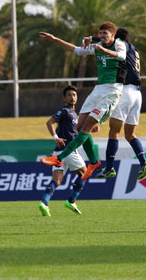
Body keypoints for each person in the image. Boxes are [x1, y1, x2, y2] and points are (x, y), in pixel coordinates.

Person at [39, 22, 126, 180]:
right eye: (100, 34)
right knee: (78, 127)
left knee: (87, 126)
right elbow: (76, 50)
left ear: (113, 35)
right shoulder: (98, 46)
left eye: (105, 34)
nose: (102, 36)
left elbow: (122, 56)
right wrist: (55, 39)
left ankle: (59, 158)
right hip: (98, 90)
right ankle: (94, 162)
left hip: (112, 91)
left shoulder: (119, 43)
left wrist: (103, 50)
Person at [94, 28, 146, 180]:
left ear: (116, 39)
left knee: (114, 132)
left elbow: (108, 43)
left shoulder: (120, 45)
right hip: (137, 94)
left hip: (125, 92)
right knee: (130, 134)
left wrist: (93, 40)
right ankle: (144, 163)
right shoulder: (134, 49)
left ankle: (109, 168)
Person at [39, 85, 88, 216]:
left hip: (58, 153)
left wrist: (90, 129)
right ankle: (71, 200)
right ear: (64, 98)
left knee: (57, 181)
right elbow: (49, 122)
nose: (72, 97)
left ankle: (44, 202)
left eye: (74, 95)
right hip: (68, 150)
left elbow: (73, 132)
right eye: (69, 95)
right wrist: (56, 138)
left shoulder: (74, 114)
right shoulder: (65, 111)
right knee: (85, 173)